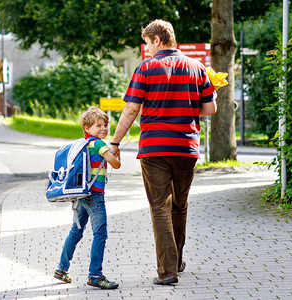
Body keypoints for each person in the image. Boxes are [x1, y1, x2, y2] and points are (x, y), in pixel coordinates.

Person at [110, 19, 217, 285]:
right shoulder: (197, 67)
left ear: (157, 40)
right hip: (186, 148)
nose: (146, 49)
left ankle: (167, 272)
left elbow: (132, 109)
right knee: (179, 206)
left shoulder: (146, 68)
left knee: (160, 208)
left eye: (147, 43)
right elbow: (210, 108)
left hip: (155, 149)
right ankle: (177, 261)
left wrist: (115, 142)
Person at [54, 106, 121, 290]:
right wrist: (116, 155)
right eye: (98, 125)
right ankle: (95, 275)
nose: (103, 129)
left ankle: (62, 269)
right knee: (100, 234)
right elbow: (115, 164)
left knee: (76, 232)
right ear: (86, 127)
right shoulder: (99, 144)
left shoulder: (83, 144)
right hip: (95, 196)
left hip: (81, 194)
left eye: (105, 125)